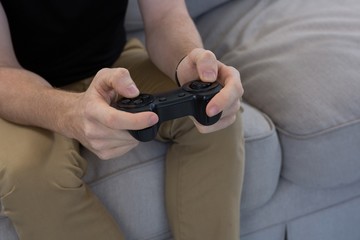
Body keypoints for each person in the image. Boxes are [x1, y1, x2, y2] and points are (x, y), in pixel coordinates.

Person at [0, 0, 244, 239]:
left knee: (215, 115)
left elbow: (165, 15)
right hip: (22, 86)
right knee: (32, 178)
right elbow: (4, 70)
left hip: (116, 65)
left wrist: (187, 63)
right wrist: (69, 113)